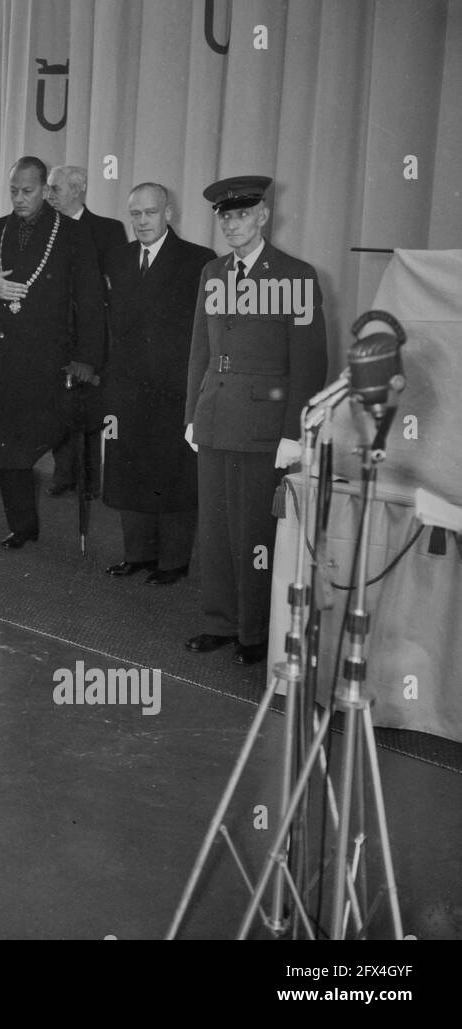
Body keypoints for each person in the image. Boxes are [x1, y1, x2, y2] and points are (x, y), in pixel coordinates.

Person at [184, 175, 328, 665]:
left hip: (264, 425)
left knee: (254, 532)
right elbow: (199, 349)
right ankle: (218, 621)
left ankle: (255, 630)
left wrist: (294, 433)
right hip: (217, 416)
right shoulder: (212, 272)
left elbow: (309, 363)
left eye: (242, 214)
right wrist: (191, 415)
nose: (232, 224)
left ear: (263, 215)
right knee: (217, 525)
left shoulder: (296, 275)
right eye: (225, 216)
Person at [0, 156, 104, 548]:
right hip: (6, 355)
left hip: (54, 358)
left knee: (51, 433)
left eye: (27, 191)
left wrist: (87, 358)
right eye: (13, 190)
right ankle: (22, 526)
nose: (18, 198)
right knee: (7, 444)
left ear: (46, 191)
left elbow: (91, 300)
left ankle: (72, 492)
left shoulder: (72, 234)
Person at [101, 183, 215, 584]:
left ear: (169, 213)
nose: (142, 221)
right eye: (135, 214)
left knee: (173, 474)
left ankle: (173, 562)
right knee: (129, 470)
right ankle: (137, 554)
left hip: (174, 387)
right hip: (127, 387)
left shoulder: (199, 261)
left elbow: (207, 332)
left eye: (150, 213)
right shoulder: (118, 259)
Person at [44, 164, 126, 499]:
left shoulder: (107, 230)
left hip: (91, 332)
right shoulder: (45, 229)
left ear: (78, 189)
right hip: (56, 332)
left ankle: (91, 480)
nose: (49, 196)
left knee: (91, 406)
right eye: (48, 189)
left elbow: (116, 281)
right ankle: (63, 473)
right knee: (58, 404)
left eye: (55, 189)